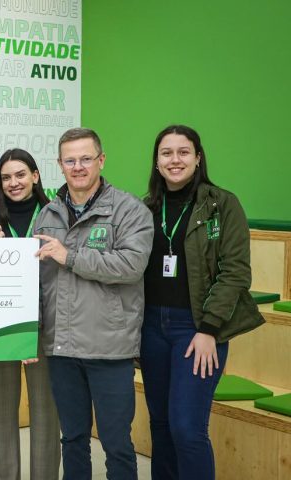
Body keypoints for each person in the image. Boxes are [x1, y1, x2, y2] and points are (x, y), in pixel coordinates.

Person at [140, 125, 264, 480]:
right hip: (151, 328)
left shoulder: (222, 204)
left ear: (198, 157)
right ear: (157, 162)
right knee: (160, 425)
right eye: (166, 153)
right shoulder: (145, 207)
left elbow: (235, 272)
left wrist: (209, 329)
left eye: (183, 152)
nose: (175, 160)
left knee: (187, 428)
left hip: (196, 328)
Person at [33, 127, 153, 480]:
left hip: (109, 349)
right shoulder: (49, 214)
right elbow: (39, 280)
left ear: (101, 160)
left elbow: (131, 266)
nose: (78, 167)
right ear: (60, 164)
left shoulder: (129, 210)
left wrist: (70, 256)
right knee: (72, 439)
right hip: (61, 348)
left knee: (116, 443)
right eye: (70, 160)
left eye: (86, 159)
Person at [0, 149, 60, 480]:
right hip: (2, 329)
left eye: (20, 175)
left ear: (35, 176)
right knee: (0, 414)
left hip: (48, 326)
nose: (13, 182)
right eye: (6, 178)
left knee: (46, 413)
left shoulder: (57, 216)